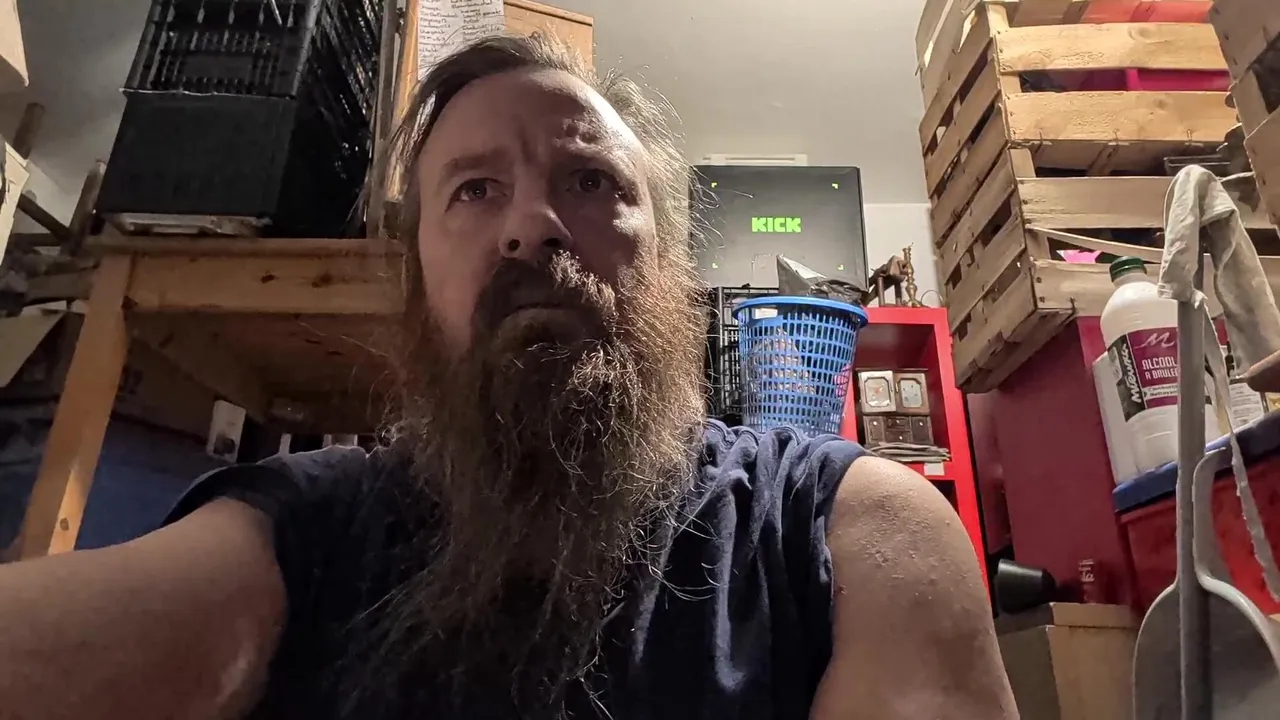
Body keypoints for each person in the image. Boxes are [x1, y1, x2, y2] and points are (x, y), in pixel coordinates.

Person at [0, 35, 1016, 719]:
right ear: (418, 281)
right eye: (476, 190)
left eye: (589, 181)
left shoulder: (846, 527)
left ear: (670, 265)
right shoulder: (306, 529)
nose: (532, 224)